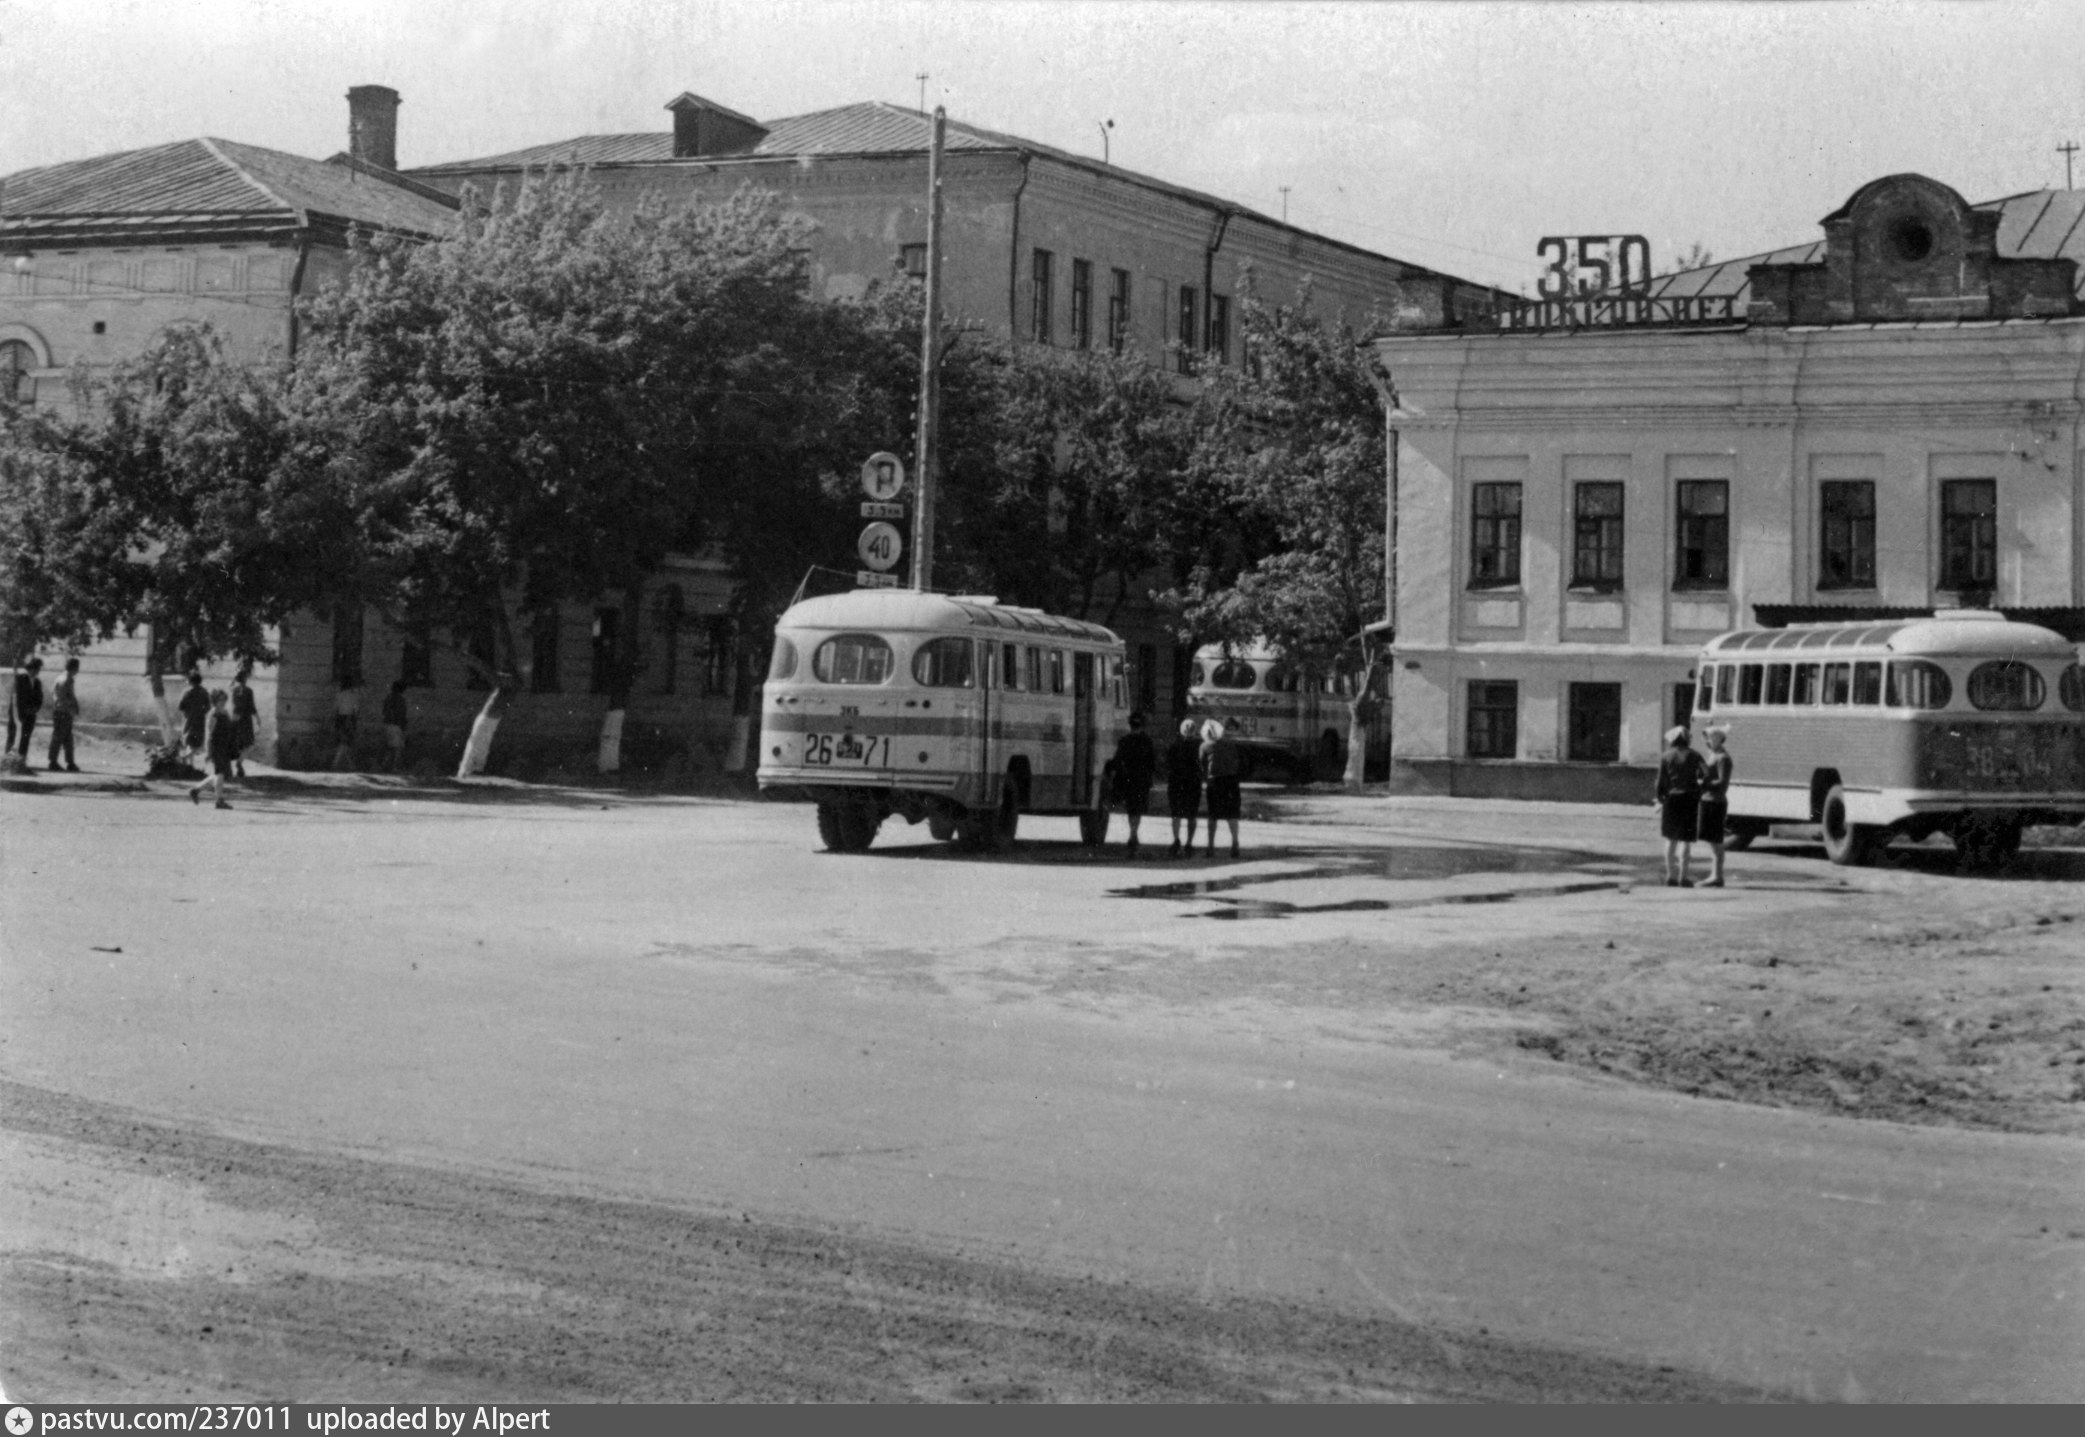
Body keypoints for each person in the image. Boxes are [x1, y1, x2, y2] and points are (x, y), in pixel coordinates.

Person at [1654, 724, 1706, 887]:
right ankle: (1684, 877)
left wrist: (1661, 798)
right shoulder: (1695, 755)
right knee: (1686, 840)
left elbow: (1660, 782)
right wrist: (1699, 788)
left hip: (1672, 799)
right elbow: (1709, 773)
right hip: (1690, 799)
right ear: (1686, 740)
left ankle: (1671, 876)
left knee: (1671, 839)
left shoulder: (1666, 756)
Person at [1108, 712, 1157, 854]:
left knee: (1131, 808)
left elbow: (1117, 760)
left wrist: (1113, 776)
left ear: (1130, 725)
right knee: (1138, 808)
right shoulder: (1147, 741)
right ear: (1142, 725)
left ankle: (1132, 833)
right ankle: (1133, 833)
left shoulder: (1124, 740)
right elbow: (1152, 762)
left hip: (1128, 779)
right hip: (1142, 779)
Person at [1199, 719, 1243, 859]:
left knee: (1213, 815)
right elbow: (1237, 762)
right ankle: (1235, 842)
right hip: (1231, 781)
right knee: (1232, 815)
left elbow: (1202, 765)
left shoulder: (1204, 746)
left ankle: (1210, 846)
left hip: (1214, 782)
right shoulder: (1231, 745)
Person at [1697, 724, 1734, 888]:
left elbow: (1723, 783)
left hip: (1715, 801)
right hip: (1707, 800)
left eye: (1710, 738)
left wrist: (1704, 783)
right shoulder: (1713, 755)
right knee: (1712, 840)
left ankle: (1717, 876)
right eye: (1707, 738)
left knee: (1716, 840)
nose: (1707, 741)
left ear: (1719, 739)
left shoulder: (1723, 758)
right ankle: (1715, 874)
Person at [188, 689, 236, 810]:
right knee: (220, 773)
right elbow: (209, 734)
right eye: (220, 700)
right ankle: (219, 801)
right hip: (216, 746)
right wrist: (208, 751)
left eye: (225, 699)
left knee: (220, 774)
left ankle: (196, 790)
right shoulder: (212, 715)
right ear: (215, 701)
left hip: (225, 746)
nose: (223, 702)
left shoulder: (225, 712)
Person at [1165, 718, 1203, 858]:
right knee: (1192, 815)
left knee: (1176, 814)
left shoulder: (1174, 746)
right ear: (1195, 731)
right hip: (1193, 784)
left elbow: (1168, 765)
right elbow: (1202, 766)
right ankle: (1189, 843)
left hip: (1176, 782)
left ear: (1181, 731)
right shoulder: (1199, 747)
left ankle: (1176, 840)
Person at [46, 656, 80, 772]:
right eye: (77, 668)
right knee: (59, 737)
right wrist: (73, 706)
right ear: (73, 668)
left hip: (62, 711)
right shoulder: (66, 679)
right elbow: (63, 697)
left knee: (67, 738)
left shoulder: (61, 677)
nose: (78, 671)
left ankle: (69, 762)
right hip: (63, 711)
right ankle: (54, 762)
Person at [11, 656, 44, 763]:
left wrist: (35, 709)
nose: (37, 671)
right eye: (36, 669)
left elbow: (39, 698)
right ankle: (11, 761)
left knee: (26, 737)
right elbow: (18, 697)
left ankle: (21, 760)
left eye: (38, 669)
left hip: (31, 714)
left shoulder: (37, 682)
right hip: (19, 714)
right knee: (14, 737)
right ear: (31, 669)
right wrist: (23, 711)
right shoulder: (21, 679)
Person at [229, 666, 259, 778]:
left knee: (237, 743)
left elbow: (234, 705)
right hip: (246, 720)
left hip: (236, 718)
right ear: (245, 678)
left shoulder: (234, 690)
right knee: (249, 743)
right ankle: (239, 763)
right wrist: (257, 718)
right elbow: (252, 706)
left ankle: (236, 765)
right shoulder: (248, 691)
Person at [177, 669, 210, 765]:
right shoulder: (204, 692)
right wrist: (202, 712)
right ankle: (191, 764)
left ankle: (186, 759)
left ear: (190, 681)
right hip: (200, 720)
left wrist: (187, 712)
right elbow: (208, 706)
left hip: (189, 719)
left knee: (188, 741)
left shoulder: (186, 692)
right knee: (196, 743)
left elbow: (181, 706)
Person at [331, 675, 361, 771]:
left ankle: (341, 763)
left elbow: (335, 708)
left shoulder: (339, 695)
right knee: (347, 742)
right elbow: (356, 709)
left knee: (343, 741)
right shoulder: (354, 695)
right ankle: (340, 763)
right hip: (350, 718)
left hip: (340, 718)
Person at [381, 678, 409, 772]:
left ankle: (384, 765)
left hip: (387, 724)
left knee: (391, 747)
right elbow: (401, 714)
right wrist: (403, 725)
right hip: (395, 725)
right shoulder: (400, 699)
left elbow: (385, 711)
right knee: (398, 748)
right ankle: (395, 767)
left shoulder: (388, 698)